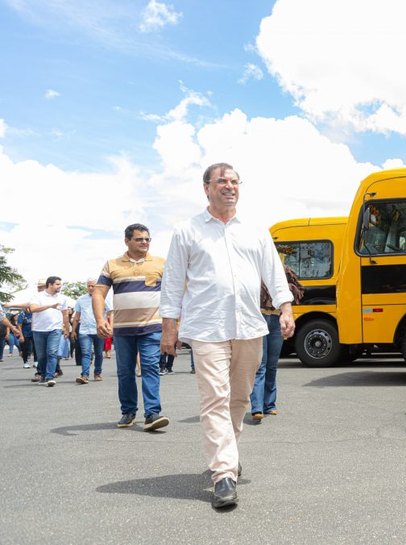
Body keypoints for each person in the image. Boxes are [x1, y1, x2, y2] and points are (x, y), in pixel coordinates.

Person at [160, 162, 294, 509]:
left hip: (250, 326)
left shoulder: (254, 229)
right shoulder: (187, 230)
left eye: (234, 181)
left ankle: (227, 454)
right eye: (222, 181)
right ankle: (223, 474)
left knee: (239, 399)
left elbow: (273, 272)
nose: (229, 186)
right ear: (206, 188)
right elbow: (173, 280)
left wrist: (286, 307)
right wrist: (169, 327)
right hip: (207, 328)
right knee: (214, 399)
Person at [93, 224, 169, 431]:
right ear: (126, 241)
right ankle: (128, 411)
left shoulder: (161, 263)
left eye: (147, 239)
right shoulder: (112, 264)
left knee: (150, 366)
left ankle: (152, 413)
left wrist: (174, 323)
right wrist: (100, 320)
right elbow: (99, 293)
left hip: (152, 326)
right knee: (125, 371)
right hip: (123, 329)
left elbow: (174, 292)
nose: (144, 242)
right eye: (139, 239)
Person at [249, 284, 284, 422]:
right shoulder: (251, 268)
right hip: (258, 316)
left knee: (272, 365)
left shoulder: (281, 270)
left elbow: (294, 289)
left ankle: (269, 405)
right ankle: (257, 407)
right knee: (260, 364)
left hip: (276, 317)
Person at [29, 276, 70, 386]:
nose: (59, 286)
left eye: (60, 284)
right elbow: (33, 309)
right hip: (38, 329)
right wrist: (49, 306)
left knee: (52, 353)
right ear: (50, 284)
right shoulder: (37, 297)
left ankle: (50, 377)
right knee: (41, 355)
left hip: (55, 329)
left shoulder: (62, 298)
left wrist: (67, 328)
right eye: (57, 284)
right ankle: (43, 375)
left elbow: (65, 314)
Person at [72, 278, 112, 383]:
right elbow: (77, 315)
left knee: (99, 353)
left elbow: (110, 313)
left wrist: (110, 326)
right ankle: (84, 375)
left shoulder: (103, 298)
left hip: (99, 330)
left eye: (93, 286)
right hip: (85, 331)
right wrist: (73, 331)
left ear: (97, 286)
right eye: (88, 286)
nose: (90, 288)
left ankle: (97, 373)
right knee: (86, 353)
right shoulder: (81, 299)